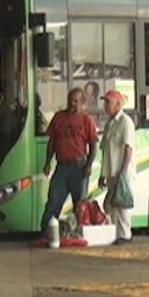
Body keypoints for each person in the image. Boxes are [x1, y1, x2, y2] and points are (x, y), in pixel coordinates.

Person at [41, 88, 98, 231]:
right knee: (54, 200)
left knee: (79, 205)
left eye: (75, 101)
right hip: (61, 167)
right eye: (70, 101)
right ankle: (46, 231)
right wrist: (48, 162)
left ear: (82, 103)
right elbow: (52, 142)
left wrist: (89, 165)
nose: (72, 104)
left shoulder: (87, 120)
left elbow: (93, 145)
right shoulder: (58, 117)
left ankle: (79, 233)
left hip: (79, 167)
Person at [98, 90, 136, 244]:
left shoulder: (126, 122)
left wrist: (123, 171)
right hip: (112, 171)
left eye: (108, 102)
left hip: (122, 171)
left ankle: (125, 235)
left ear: (118, 104)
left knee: (122, 204)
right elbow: (105, 151)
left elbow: (128, 148)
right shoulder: (109, 124)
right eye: (105, 102)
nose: (105, 105)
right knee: (111, 205)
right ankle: (116, 234)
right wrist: (103, 174)